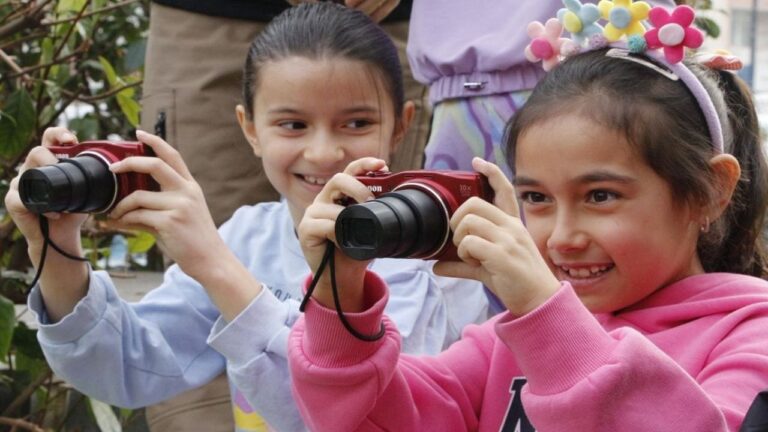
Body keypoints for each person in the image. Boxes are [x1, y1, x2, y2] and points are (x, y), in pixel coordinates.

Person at [4, 4, 487, 432]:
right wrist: (56, 251)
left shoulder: (431, 255)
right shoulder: (248, 236)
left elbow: (366, 415)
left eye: (357, 123)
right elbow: (129, 368)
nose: (323, 152)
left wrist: (216, 266)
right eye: (292, 125)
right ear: (249, 129)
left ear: (401, 125)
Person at [287, 5, 768, 430]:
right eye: (536, 198)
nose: (562, 238)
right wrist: (337, 301)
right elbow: (371, 419)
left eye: (600, 195)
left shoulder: (750, 334)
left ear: (712, 192)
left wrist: (546, 319)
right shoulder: (502, 344)